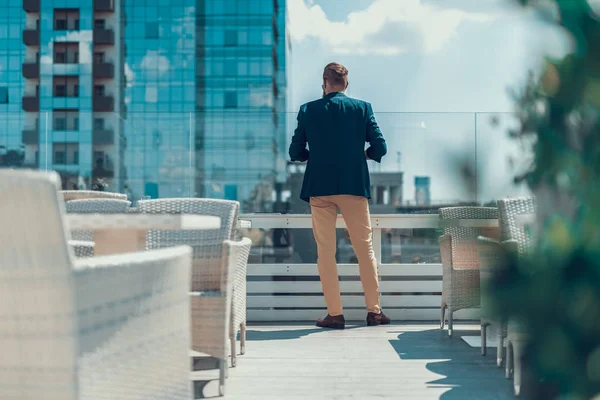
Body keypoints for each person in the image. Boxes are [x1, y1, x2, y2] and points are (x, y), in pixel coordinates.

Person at [288, 62, 390, 329]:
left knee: (326, 252)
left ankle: (335, 314)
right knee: (364, 249)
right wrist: (361, 156)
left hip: (320, 189)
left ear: (325, 82)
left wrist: (317, 158)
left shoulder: (308, 110)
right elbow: (380, 147)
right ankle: (374, 312)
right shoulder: (362, 108)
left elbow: (295, 152)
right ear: (346, 84)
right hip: (354, 186)